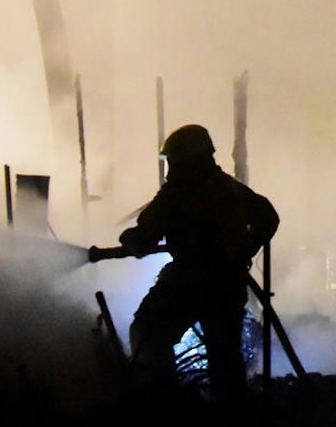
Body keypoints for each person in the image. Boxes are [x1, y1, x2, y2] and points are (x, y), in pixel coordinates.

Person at [90, 124, 279, 396]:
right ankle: (232, 411)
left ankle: (164, 399)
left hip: (185, 283)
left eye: (173, 163)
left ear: (186, 161)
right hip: (227, 283)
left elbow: (143, 241)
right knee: (225, 356)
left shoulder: (175, 194)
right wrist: (244, 251)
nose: (170, 171)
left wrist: (129, 238)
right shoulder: (229, 189)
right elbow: (268, 217)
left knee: (148, 332)